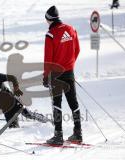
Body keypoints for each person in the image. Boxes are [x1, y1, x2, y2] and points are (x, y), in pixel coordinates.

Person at [43, 6, 82, 145]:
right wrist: (70, 64)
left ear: (48, 19)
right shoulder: (71, 29)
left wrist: (45, 76)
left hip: (56, 74)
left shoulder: (50, 34)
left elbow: (48, 58)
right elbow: (77, 49)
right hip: (69, 72)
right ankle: (78, 133)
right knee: (74, 103)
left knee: (57, 104)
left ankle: (58, 135)